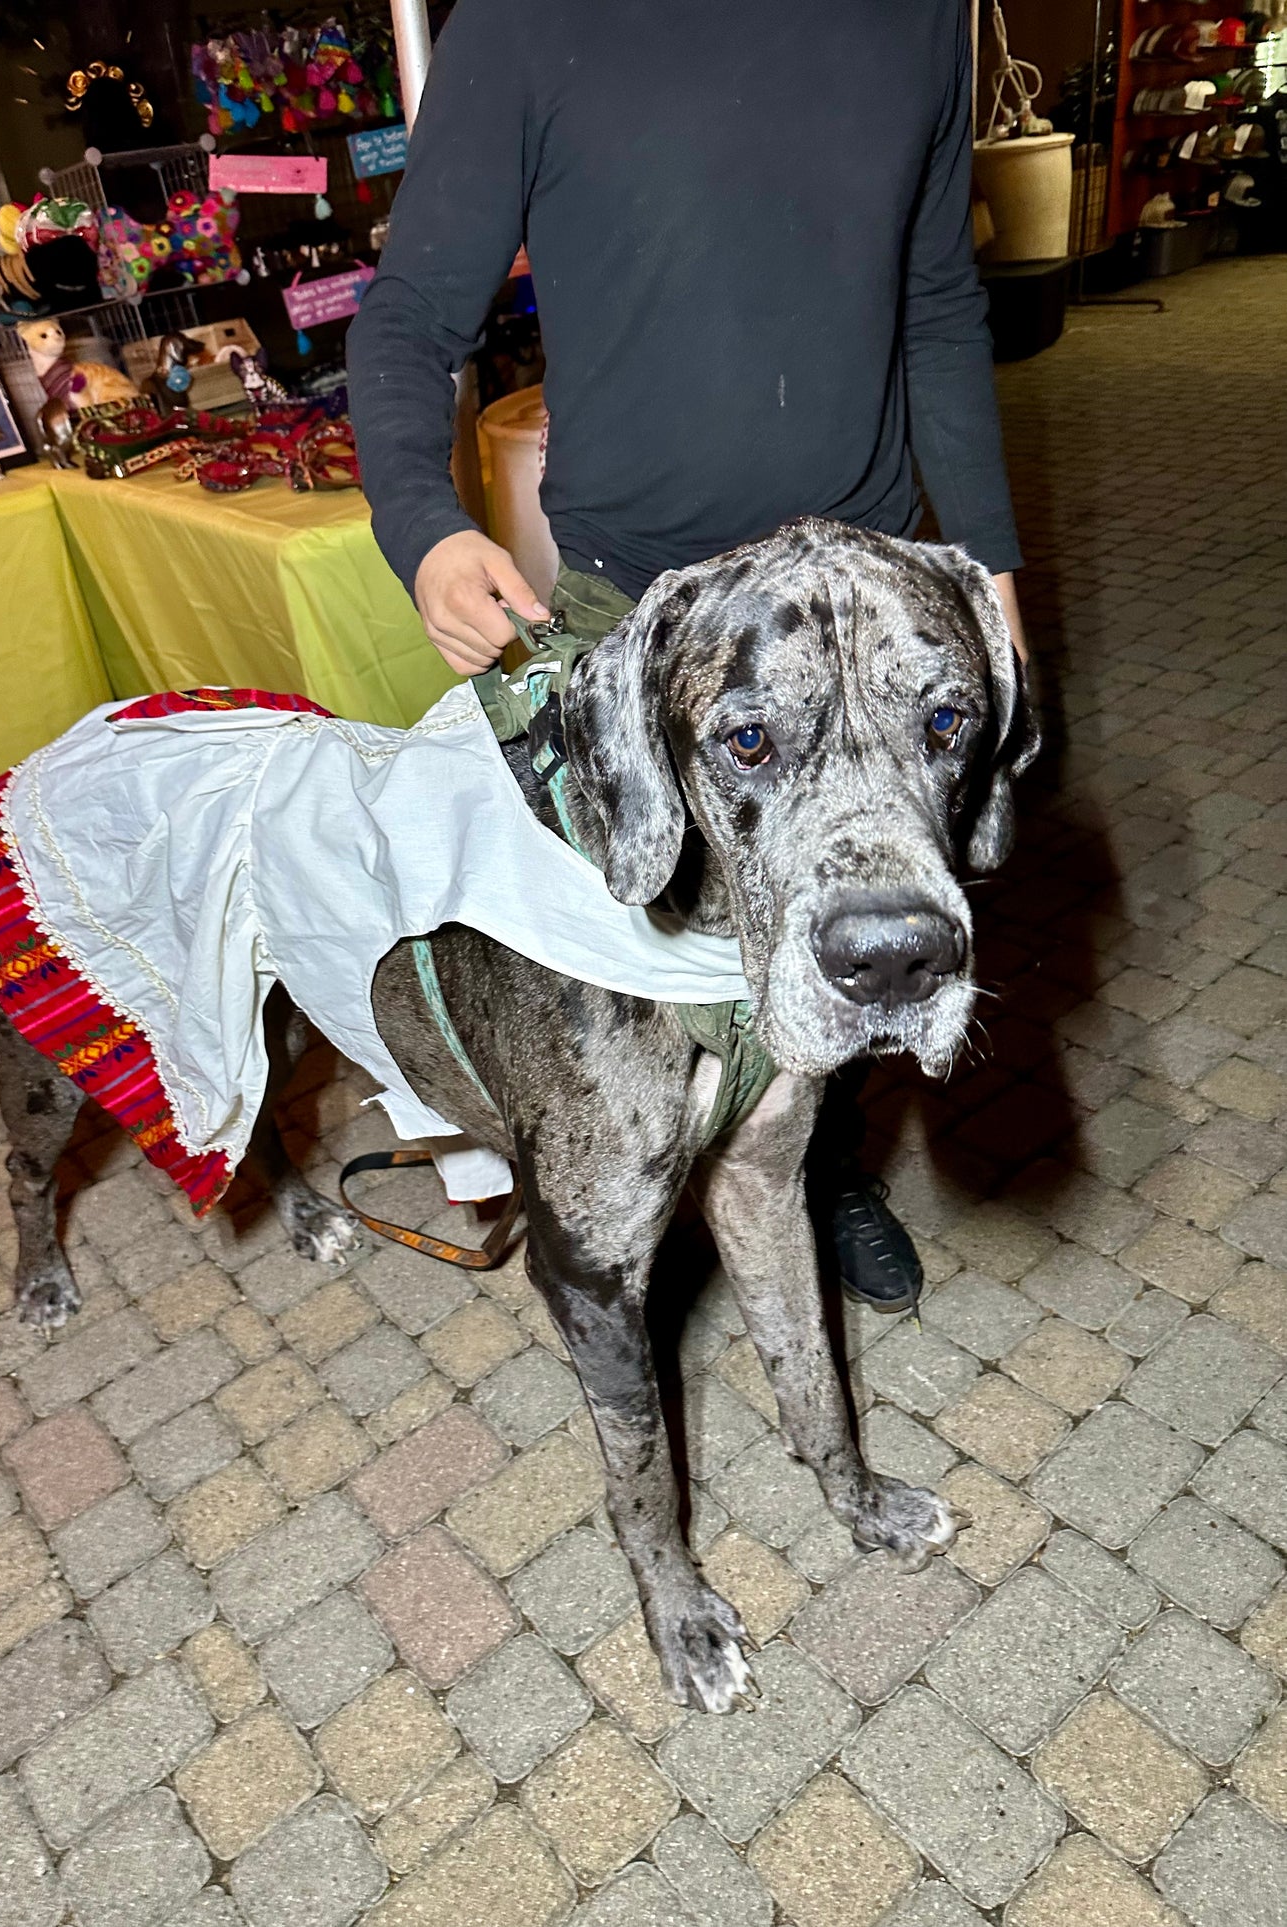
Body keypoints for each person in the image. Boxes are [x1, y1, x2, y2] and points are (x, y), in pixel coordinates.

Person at [347, 0, 1027, 1313]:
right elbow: (412, 317)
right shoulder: (524, 25)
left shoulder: (918, 18)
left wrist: (988, 564)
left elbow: (936, 304)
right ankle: (653, 1182)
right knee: (646, 973)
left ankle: (820, 1172)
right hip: (643, 622)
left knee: (855, 913)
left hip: (858, 609)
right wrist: (423, 530)